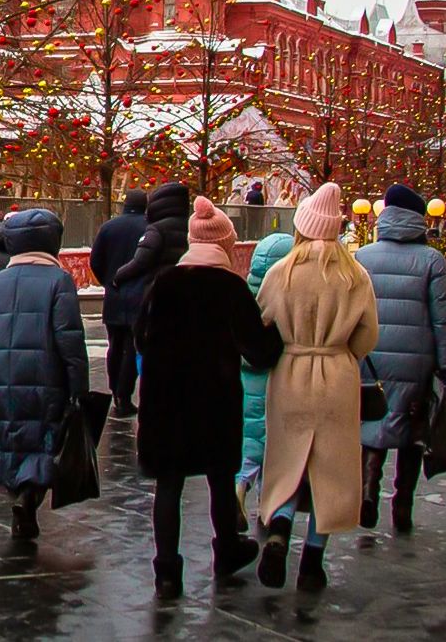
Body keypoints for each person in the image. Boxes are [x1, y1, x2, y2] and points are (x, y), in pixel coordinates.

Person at [135, 198, 283, 598]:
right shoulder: (231, 288)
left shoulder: (163, 283)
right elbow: (260, 351)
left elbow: (140, 338)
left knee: (168, 484)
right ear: (225, 244)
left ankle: (166, 572)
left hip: (165, 401)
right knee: (220, 479)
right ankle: (227, 551)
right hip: (214, 401)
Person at [256, 182, 380, 591]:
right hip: (337, 379)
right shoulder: (354, 275)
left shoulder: (282, 271)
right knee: (330, 472)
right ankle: (313, 561)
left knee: (288, 463)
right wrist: (341, 352)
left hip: (291, 374)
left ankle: (280, 527)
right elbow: (367, 337)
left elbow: (263, 324)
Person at [0, 208, 89, 542]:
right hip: (47, 377)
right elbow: (69, 338)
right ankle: (28, 499)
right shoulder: (59, 281)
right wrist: (78, 385)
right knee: (43, 441)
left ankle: (18, 495)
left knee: (12, 439)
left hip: (4, 378)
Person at [355, 182, 446, 534]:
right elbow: (442, 319)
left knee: (373, 422)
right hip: (417, 362)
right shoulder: (432, 260)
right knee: (413, 430)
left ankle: (369, 492)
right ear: (417, 219)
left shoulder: (363, 256)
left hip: (370, 356)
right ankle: (403, 504)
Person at [115, 184, 193, 417]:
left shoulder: (156, 230)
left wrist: (118, 277)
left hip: (157, 297)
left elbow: (141, 261)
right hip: (186, 297)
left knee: (144, 349)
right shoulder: (190, 227)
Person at [238, 232, 295, 521]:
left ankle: (241, 484)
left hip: (248, 381)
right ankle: (270, 506)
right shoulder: (289, 298)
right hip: (281, 382)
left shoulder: (247, 294)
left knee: (250, 437)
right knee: (276, 444)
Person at [91, 190, 148, 415]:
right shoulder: (149, 228)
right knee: (132, 346)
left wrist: (108, 280)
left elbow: (95, 260)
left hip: (114, 296)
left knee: (114, 346)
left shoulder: (108, 228)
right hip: (139, 296)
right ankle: (124, 396)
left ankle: (115, 389)